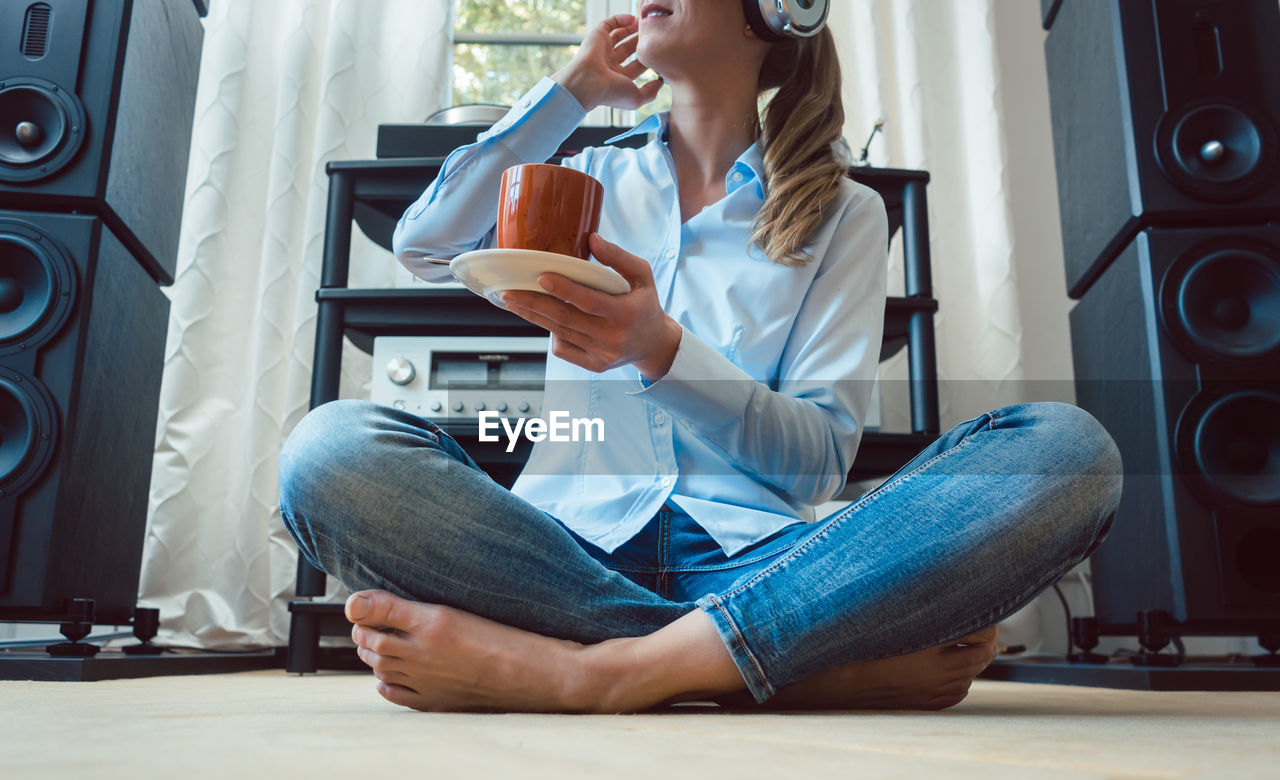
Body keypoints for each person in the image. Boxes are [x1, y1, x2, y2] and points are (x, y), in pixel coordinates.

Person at [278, 3, 1122, 713]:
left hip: (756, 557)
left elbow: (816, 465)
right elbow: (424, 243)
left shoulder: (842, 213)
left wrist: (662, 352)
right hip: (558, 555)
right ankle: (779, 657)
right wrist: (571, 89)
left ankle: (589, 670)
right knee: (329, 452)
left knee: (1067, 454)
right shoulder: (586, 175)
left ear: (772, 12)